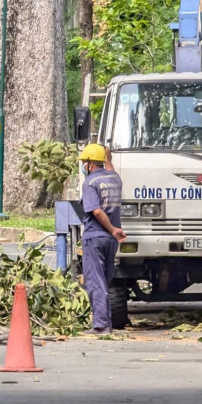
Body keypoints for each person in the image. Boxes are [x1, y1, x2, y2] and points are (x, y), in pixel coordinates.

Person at [80, 143, 126, 335]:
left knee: (95, 282)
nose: (83, 166)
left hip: (96, 237)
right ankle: (106, 323)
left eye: (85, 162)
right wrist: (108, 158)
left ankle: (100, 325)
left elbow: (97, 211)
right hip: (110, 242)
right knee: (104, 281)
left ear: (90, 164)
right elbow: (111, 169)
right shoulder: (114, 179)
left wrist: (112, 229)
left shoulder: (90, 183)